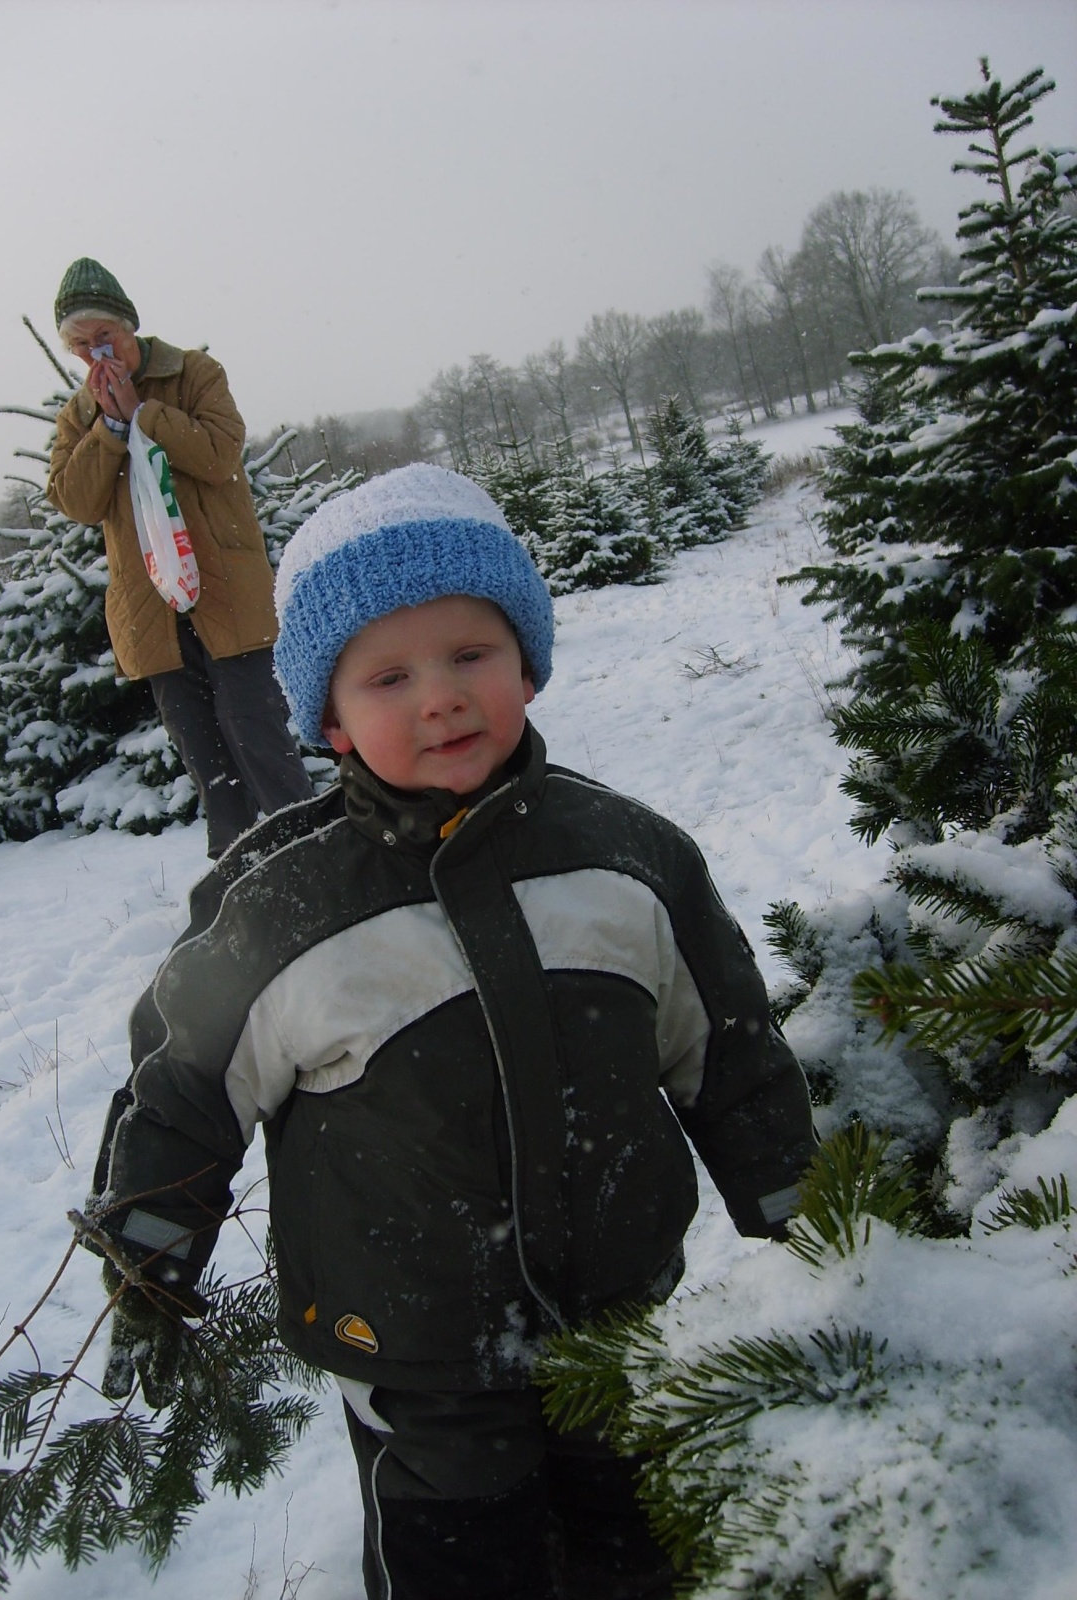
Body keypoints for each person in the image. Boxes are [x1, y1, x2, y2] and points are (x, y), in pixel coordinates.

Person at [85, 463, 818, 1599]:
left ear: (526, 659)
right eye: (389, 675)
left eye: (471, 655)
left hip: (622, 1316)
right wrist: (146, 1257)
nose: (441, 697)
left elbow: (727, 1050)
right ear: (327, 718)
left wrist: (796, 1216)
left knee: (642, 1546)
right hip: (412, 1348)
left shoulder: (628, 857)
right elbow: (183, 1084)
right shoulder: (281, 905)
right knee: (460, 1565)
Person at [45, 257, 311, 857]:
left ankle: (310, 857)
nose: (96, 354)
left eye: (104, 336)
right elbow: (75, 500)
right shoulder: (78, 414)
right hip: (152, 609)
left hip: (226, 596)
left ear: (128, 326)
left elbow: (219, 454)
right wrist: (109, 431)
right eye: (81, 345)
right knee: (205, 757)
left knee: (258, 738)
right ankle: (241, 877)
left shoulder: (195, 373)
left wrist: (143, 413)